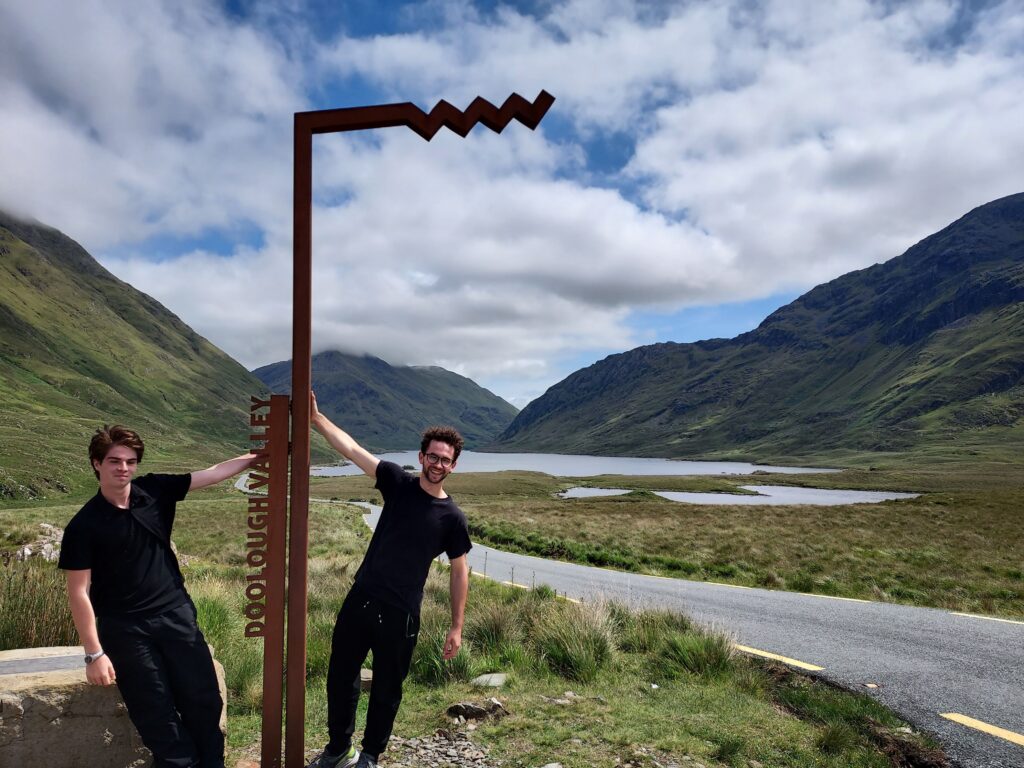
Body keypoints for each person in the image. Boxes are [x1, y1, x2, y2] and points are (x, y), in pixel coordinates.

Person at [58, 424, 261, 768]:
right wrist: (94, 654)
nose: (123, 468)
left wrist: (260, 457)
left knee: (204, 699)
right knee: (155, 710)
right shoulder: (84, 525)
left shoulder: (155, 490)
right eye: (114, 461)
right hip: (125, 630)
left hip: (175, 613)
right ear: (96, 463)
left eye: (130, 461)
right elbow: (79, 592)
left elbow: (212, 474)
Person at [308, 393, 471, 768]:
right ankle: (338, 748)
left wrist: (456, 626)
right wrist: (318, 420)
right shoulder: (397, 483)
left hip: (402, 614)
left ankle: (370, 755)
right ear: (422, 457)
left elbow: (460, 572)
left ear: (453, 466)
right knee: (340, 675)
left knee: (387, 688)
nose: (438, 464)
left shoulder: (453, 518)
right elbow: (352, 449)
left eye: (445, 459)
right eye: (433, 456)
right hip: (362, 598)